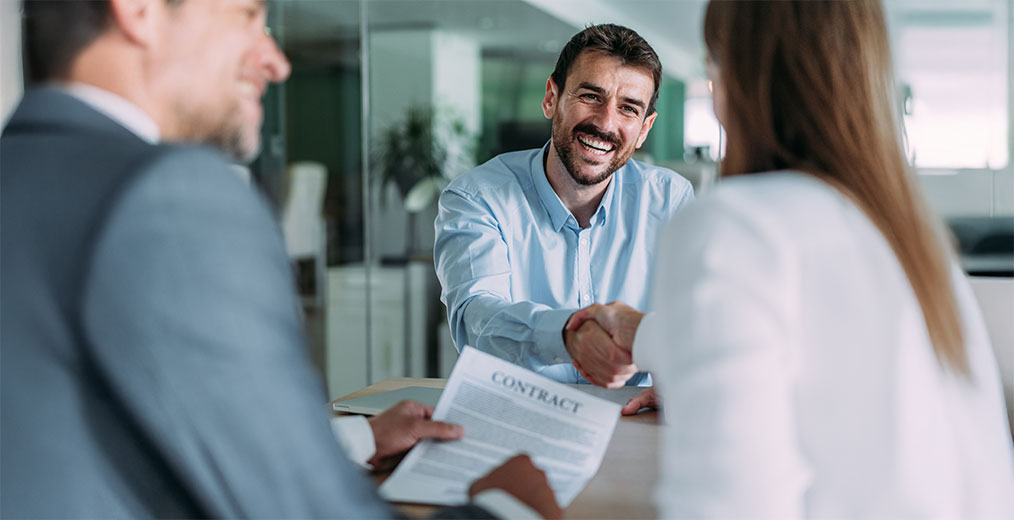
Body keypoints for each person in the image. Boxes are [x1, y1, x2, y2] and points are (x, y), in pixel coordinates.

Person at [0, 1, 560, 518]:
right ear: (139, 9)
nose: (277, 61)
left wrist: (358, 439)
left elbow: (86, 436)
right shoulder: (169, 196)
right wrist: (512, 509)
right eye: (247, 14)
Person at [569, 0, 1014, 516]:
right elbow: (818, 342)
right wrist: (640, 334)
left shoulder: (733, 225)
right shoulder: (911, 238)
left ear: (735, 77)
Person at [433, 24, 694, 389]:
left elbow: (694, 320)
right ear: (551, 98)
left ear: (645, 129)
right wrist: (567, 337)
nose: (606, 123)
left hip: (631, 419)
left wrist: (671, 386)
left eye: (628, 109)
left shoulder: (670, 200)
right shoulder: (478, 197)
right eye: (591, 96)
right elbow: (477, 319)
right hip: (520, 415)